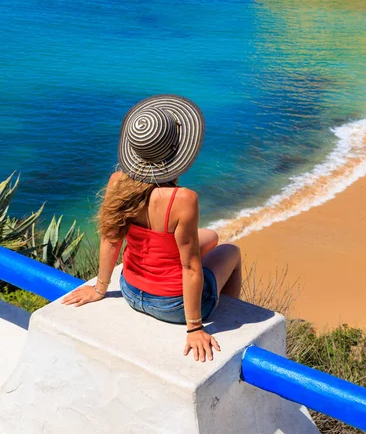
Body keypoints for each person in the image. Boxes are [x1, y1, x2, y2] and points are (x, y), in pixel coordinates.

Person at [62, 94, 242, 362]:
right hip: (174, 306)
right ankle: (226, 311)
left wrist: (100, 289)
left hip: (131, 291)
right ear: (178, 152)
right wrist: (194, 327)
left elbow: (111, 240)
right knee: (231, 250)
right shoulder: (183, 199)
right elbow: (190, 267)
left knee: (212, 236)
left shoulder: (117, 183)